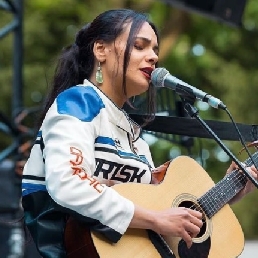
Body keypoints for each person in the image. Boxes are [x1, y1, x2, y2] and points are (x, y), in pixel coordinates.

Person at [21, 8, 258, 258]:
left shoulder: (136, 140)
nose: (153, 57)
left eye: (155, 49)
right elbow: (69, 182)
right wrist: (156, 219)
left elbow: (159, 220)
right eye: (140, 46)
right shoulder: (79, 104)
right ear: (101, 50)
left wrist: (230, 191)